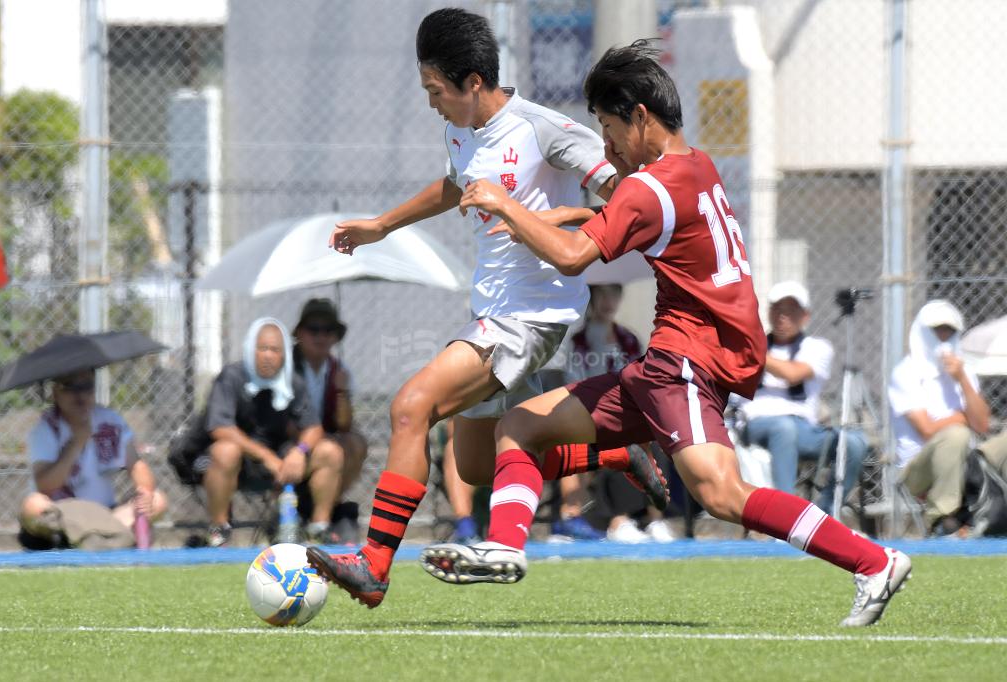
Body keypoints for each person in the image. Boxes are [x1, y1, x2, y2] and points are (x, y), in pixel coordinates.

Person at [421, 41, 912, 628]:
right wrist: (567, 215)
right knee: (521, 426)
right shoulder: (696, 165)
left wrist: (506, 204)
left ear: (640, 117)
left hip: (684, 360)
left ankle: (872, 560)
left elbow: (576, 259)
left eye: (607, 127)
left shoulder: (645, 188)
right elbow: (637, 223)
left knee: (722, 495)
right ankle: (504, 545)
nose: (604, 147)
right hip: (671, 362)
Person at [306, 8, 670, 608]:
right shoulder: (462, 126)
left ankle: (373, 565)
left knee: (410, 406)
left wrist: (565, 217)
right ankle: (612, 452)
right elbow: (456, 182)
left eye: (436, 91)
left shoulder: (541, 129)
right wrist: (382, 225)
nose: (432, 104)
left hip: (530, 316)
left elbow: (633, 200)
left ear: (474, 82)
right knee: (476, 467)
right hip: (492, 313)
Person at [169, 318, 324, 547]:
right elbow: (220, 428)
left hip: (274, 464)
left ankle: (318, 530)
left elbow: (314, 428)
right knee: (226, 450)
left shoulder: (292, 382)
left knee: (329, 451)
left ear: (285, 354)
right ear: (251, 350)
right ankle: (219, 530)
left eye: (275, 350)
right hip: (213, 461)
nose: (268, 355)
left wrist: (299, 452)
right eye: (262, 348)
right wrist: (267, 457)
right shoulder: (231, 377)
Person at [740, 281, 869, 514]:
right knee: (784, 428)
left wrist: (753, 352)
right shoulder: (753, 345)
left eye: (791, 311)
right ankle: (785, 518)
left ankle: (824, 514)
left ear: (805, 316)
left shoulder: (817, 347)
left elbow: (793, 374)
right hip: (756, 425)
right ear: (769, 312)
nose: (783, 316)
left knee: (855, 442)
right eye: (778, 309)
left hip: (805, 429)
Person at [567, 283, 675, 543]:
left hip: (625, 411)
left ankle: (654, 517)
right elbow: (572, 382)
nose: (608, 300)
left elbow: (640, 380)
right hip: (588, 414)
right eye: (602, 293)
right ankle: (619, 520)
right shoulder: (578, 342)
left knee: (656, 440)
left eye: (614, 293)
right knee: (619, 442)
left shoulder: (629, 339)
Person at [18, 368, 168, 549]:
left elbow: (137, 466)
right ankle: (93, 539)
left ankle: (99, 537)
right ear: (55, 392)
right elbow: (45, 484)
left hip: (107, 514)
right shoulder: (46, 428)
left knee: (158, 499)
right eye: (70, 387)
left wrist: (144, 491)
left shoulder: (110, 420)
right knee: (32, 506)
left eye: (87, 387)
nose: (80, 394)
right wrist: (76, 443)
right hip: (62, 515)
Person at [888, 300, 990, 535]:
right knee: (957, 434)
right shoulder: (906, 372)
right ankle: (943, 520)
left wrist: (962, 379)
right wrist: (963, 418)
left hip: (967, 462)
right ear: (923, 331)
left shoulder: (964, 371)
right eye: (938, 330)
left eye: (949, 331)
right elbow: (926, 429)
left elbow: (983, 424)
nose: (943, 336)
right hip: (917, 470)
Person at [292, 298, 368, 545]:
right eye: (314, 329)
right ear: (300, 333)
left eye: (328, 331)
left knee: (356, 443)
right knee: (331, 451)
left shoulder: (338, 369)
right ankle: (319, 525)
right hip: (292, 443)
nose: (321, 336)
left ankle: (323, 511)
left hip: (324, 441)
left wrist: (341, 392)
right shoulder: (288, 367)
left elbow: (344, 425)